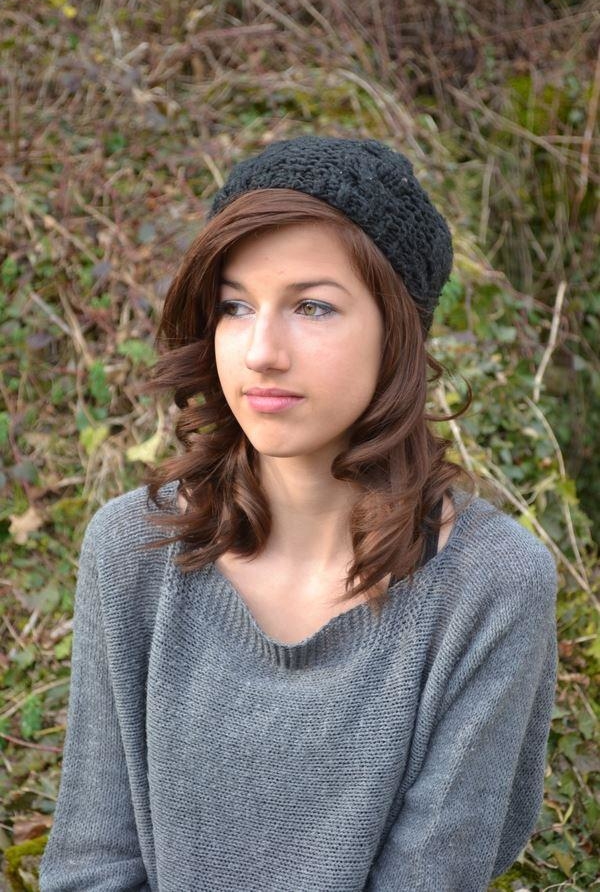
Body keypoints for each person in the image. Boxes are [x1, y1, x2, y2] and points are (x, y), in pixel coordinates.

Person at [39, 136, 558, 891]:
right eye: (235, 306)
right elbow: (92, 864)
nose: (261, 351)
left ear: (399, 331)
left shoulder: (491, 585)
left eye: (312, 306)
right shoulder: (133, 550)